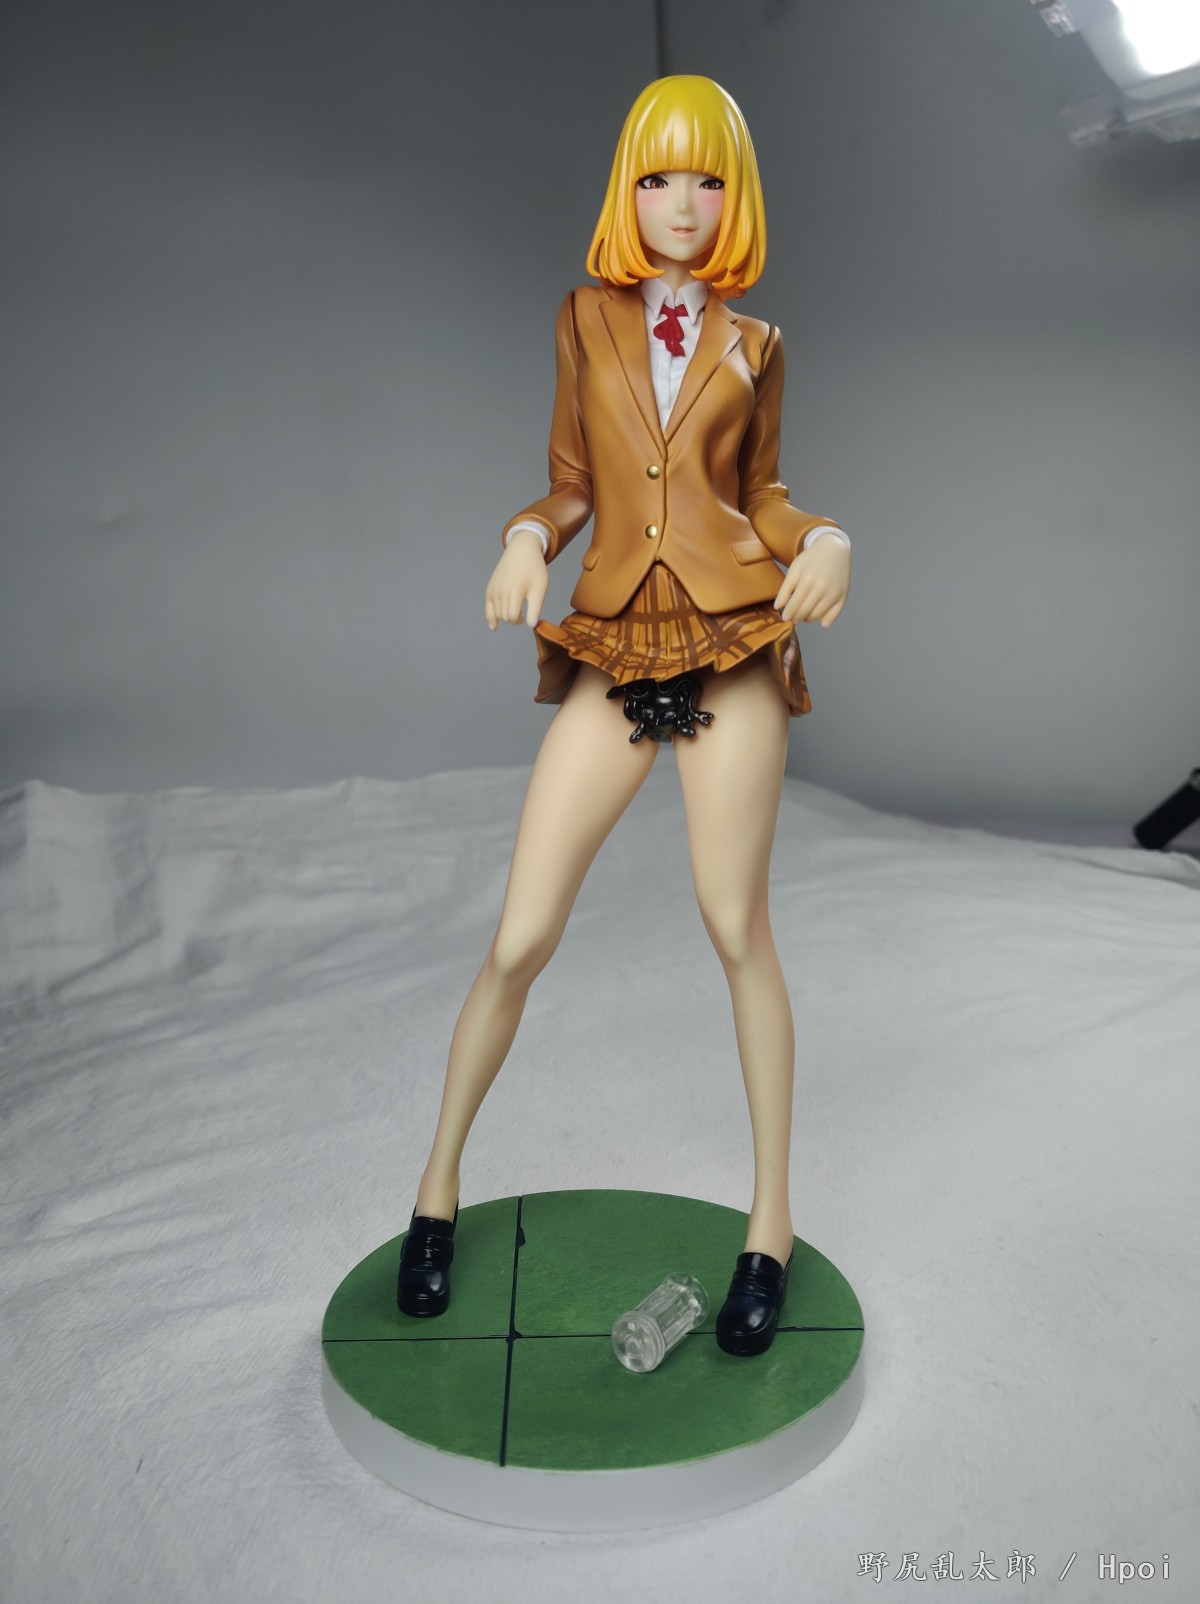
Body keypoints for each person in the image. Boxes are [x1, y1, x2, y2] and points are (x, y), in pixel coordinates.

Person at [397, 75, 851, 1357]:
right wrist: (521, 540)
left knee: (735, 924)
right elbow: (569, 481)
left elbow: (763, 495)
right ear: (627, 192)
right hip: (615, 637)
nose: (683, 203)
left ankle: (769, 1224)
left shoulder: (757, 343)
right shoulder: (583, 320)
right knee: (520, 934)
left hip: (733, 639)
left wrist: (826, 536)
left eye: (707, 178)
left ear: (734, 194)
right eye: (659, 178)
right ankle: (435, 1189)